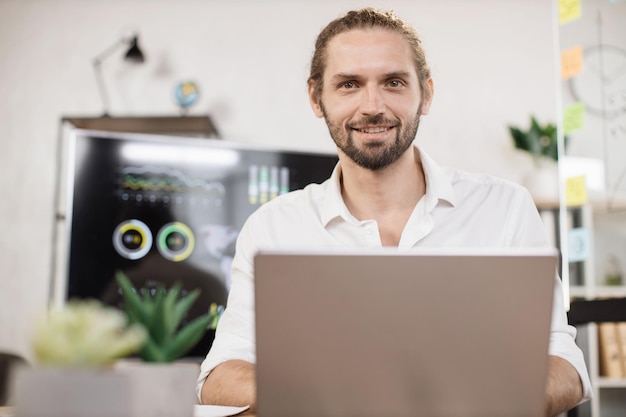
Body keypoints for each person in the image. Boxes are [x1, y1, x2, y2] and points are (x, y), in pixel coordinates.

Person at [197, 7, 592, 416]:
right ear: (316, 97)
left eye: (394, 82)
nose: (372, 106)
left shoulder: (504, 208)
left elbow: (564, 365)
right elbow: (220, 375)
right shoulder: (273, 227)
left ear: (426, 94)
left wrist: (472, 402)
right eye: (349, 84)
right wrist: (334, 397)